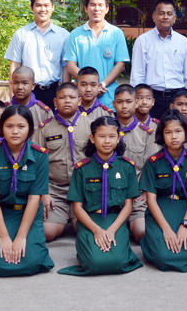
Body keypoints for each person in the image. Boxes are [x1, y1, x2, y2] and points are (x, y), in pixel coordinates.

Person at [58, 116, 142, 276]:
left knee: (118, 262)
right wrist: (97, 230)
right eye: (101, 136)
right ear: (92, 138)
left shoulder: (127, 167)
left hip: (115, 219)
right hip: (90, 220)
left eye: (112, 136)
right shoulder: (82, 168)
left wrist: (111, 230)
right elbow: (77, 207)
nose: (107, 141)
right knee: (94, 263)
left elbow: (128, 205)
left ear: (118, 138)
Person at [0, 105, 54, 276]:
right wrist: (3, 236)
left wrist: (21, 237)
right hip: (1, 213)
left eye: (21, 126)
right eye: (9, 126)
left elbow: (34, 199)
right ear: (1, 128)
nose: (15, 131)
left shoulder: (40, 155)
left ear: (30, 129)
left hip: (27, 214)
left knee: (32, 261)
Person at [140, 110, 187, 272]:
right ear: (162, 135)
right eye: (168, 132)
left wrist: (185, 225)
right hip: (160, 210)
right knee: (163, 257)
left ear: (186, 133)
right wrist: (166, 229)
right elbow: (151, 200)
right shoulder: (153, 162)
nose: (174, 136)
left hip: (185, 210)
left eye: (178, 131)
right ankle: (150, 241)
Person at [32, 83, 94, 241]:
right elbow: (36, 163)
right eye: (62, 97)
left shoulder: (91, 126)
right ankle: (61, 217)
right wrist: (44, 192)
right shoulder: (45, 128)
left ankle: (73, 218)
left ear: (79, 101)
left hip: (83, 190)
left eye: (72, 97)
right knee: (47, 233)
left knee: (83, 230)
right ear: (55, 101)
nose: (67, 101)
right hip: (55, 190)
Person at [130, 0, 187, 117]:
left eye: (169, 14)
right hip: (152, 97)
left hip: (178, 97)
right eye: (161, 13)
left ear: (175, 18)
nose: (165, 17)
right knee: (151, 128)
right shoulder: (143, 41)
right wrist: (138, 99)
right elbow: (137, 74)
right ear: (154, 16)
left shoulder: (183, 42)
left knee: (177, 128)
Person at [64, 0, 130, 108]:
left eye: (100, 5)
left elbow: (120, 65)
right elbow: (71, 65)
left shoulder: (116, 33)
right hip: (82, 97)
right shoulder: (75, 34)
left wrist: (102, 84)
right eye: (92, 5)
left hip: (109, 96)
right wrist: (89, 85)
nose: (96, 8)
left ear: (107, 9)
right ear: (86, 8)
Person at [5, 0, 71, 106]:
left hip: (54, 92)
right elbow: (14, 66)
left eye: (46, 5)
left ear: (53, 7)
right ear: (32, 8)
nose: (42, 9)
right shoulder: (21, 34)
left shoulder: (64, 35)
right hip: (27, 92)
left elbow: (65, 67)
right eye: (38, 5)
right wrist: (12, 97)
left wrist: (65, 94)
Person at [112, 84, 159, 242]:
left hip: (136, 195)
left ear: (136, 103)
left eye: (129, 101)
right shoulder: (106, 130)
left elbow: (151, 167)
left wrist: (146, 191)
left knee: (141, 232)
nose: (124, 106)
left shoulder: (147, 133)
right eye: (120, 102)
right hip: (110, 193)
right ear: (113, 104)